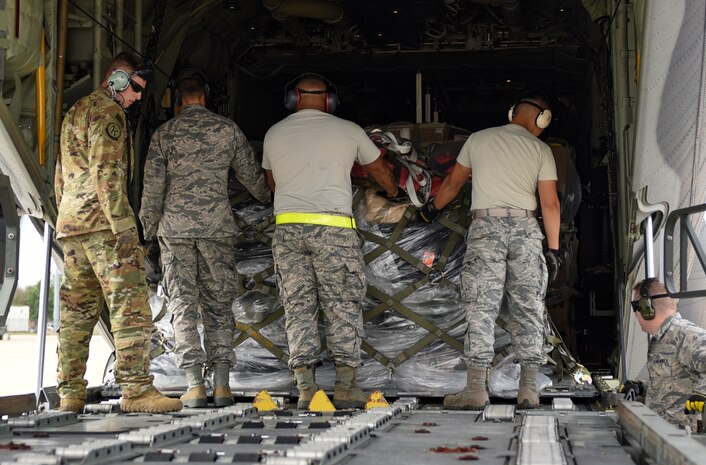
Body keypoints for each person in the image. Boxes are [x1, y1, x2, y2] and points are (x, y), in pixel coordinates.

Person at [54, 52, 182, 414]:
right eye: (136, 89)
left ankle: (70, 393)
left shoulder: (75, 111)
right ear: (118, 80)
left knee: (76, 311)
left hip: (73, 226)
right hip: (103, 226)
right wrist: (126, 229)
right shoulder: (108, 113)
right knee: (130, 306)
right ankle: (137, 390)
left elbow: (61, 176)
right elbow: (107, 175)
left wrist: (66, 216)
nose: (138, 98)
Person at [261, 73, 398, 409]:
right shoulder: (348, 130)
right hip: (333, 230)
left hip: (288, 230)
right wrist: (392, 192)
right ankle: (347, 387)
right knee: (342, 305)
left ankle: (306, 389)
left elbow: (273, 182)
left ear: (293, 98)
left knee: (298, 307)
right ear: (330, 100)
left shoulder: (273, 133)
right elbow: (379, 169)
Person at [419, 91, 560, 410]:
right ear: (542, 121)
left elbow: (453, 185)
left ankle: (475, 390)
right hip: (525, 230)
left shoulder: (479, 140)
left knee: (481, 307)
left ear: (513, 113)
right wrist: (553, 248)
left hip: (487, 228)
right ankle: (528, 390)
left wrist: (431, 210)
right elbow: (549, 204)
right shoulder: (540, 148)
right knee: (528, 307)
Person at [140, 68, 271, 408]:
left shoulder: (164, 134)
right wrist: (268, 199)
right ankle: (224, 385)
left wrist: (147, 230)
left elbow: (152, 190)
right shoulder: (227, 130)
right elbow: (253, 179)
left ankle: (195, 385)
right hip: (216, 228)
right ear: (206, 95)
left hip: (175, 231)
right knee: (218, 305)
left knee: (183, 304)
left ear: (177, 99)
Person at [622, 277, 706, 428]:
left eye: (636, 305)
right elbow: (673, 383)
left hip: (686, 439)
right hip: (663, 434)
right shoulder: (661, 339)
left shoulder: (684, 335)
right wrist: (641, 387)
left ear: (647, 306)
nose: (636, 314)